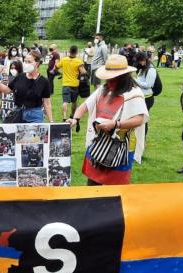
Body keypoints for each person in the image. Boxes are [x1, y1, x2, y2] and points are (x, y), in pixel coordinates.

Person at [66, 54, 148, 185]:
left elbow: (140, 118)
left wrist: (116, 124)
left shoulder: (134, 93)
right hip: (98, 143)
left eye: (113, 77)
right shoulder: (103, 89)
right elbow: (85, 105)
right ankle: (93, 205)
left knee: (115, 189)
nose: (109, 81)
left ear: (123, 76)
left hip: (120, 147)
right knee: (93, 184)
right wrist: (75, 118)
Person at [0, 50, 53, 123]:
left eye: (29, 62)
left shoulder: (44, 81)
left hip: (35, 115)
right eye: (25, 61)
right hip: (18, 112)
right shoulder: (20, 77)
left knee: (33, 134)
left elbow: (47, 103)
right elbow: (8, 90)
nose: (26, 64)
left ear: (37, 63)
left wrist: (51, 121)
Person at [58, 45, 87, 121]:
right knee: (74, 102)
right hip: (75, 84)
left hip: (66, 84)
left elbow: (57, 66)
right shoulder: (78, 61)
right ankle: (72, 115)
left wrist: (62, 72)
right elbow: (83, 72)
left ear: (69, 51)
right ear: (76, 52)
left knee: (65, 101)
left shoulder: (64, 60)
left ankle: (64, 117)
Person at [134, 52, 156, 135]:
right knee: (138, 118)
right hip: (140, 97)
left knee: (143, 119)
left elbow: (148, 85)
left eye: (141, 61)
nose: (140, 63)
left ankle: (143, 138)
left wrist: (135, 80)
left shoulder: (151, 70)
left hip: (147, 98)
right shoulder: (141, 68)